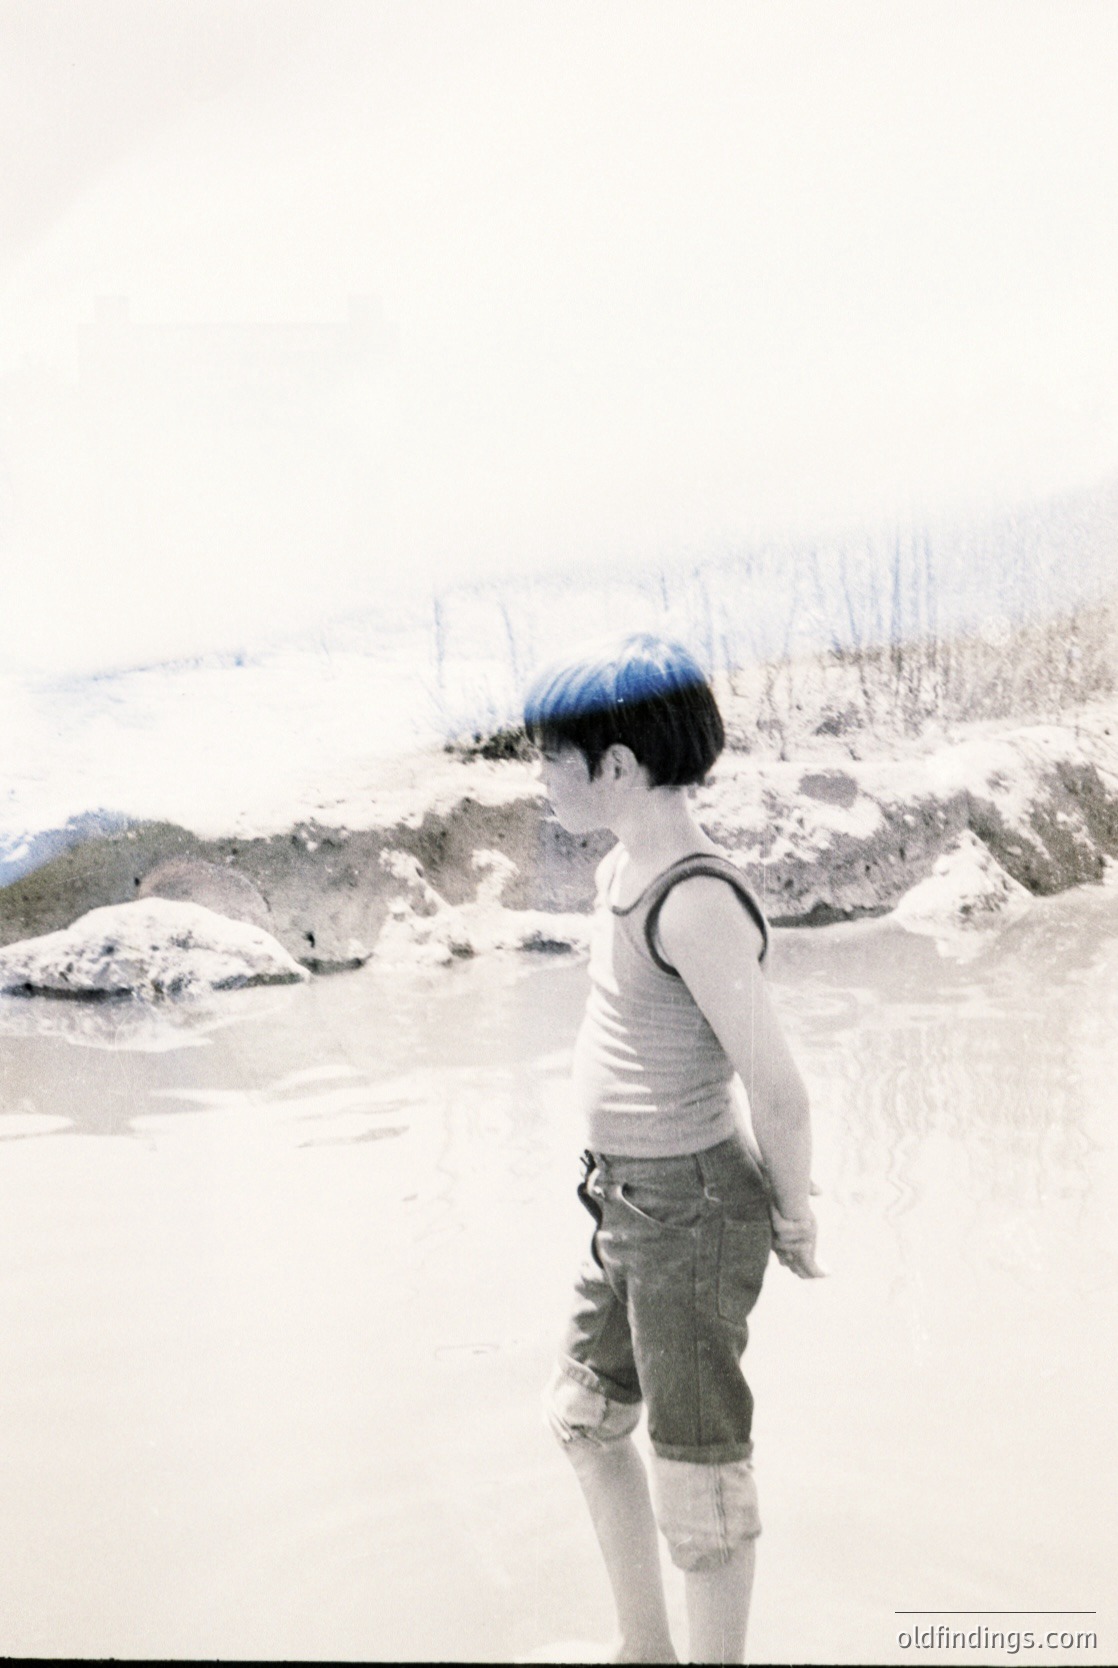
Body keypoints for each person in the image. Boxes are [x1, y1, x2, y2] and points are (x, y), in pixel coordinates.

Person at [523, 633, 823, 1666]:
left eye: (552, 757)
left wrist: (792, 1212)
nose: (538, 779)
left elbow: (775, 1089)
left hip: (691, 1211)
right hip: (622, 1206)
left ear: (615, 764)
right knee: (583, 1417)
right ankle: (642, 1653)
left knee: (697, 1487)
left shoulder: (693, 901)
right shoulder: (622, 864)